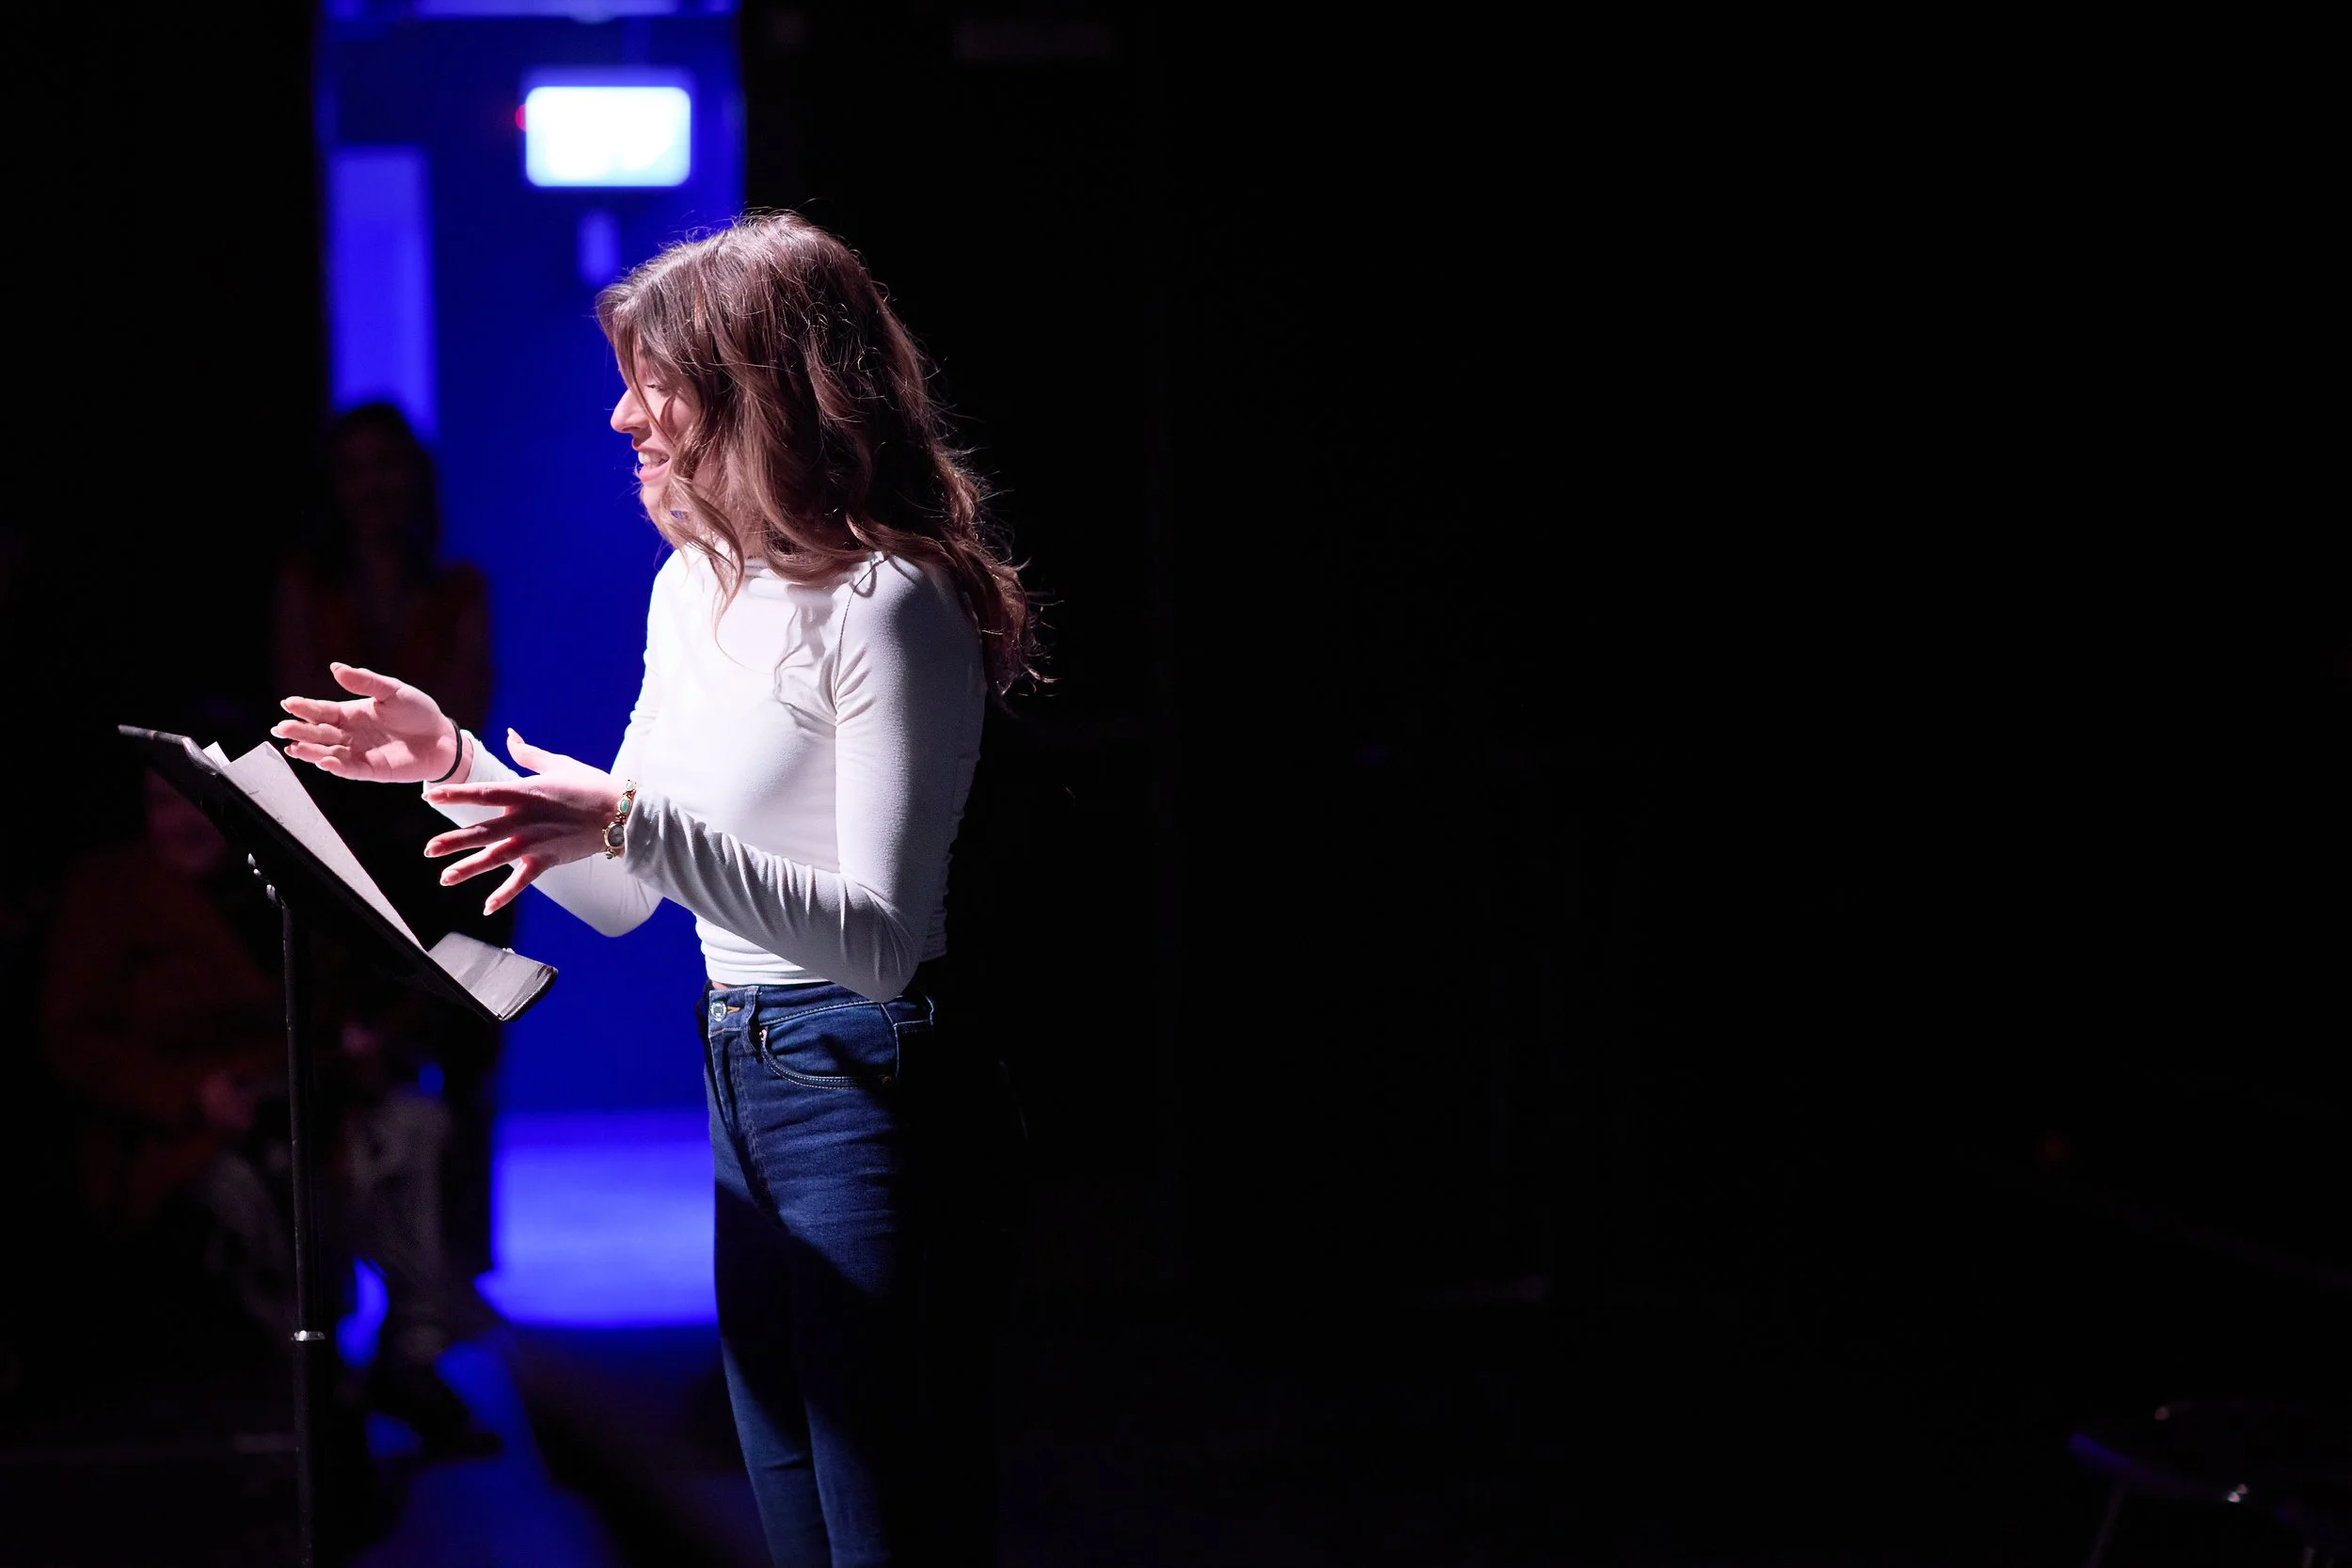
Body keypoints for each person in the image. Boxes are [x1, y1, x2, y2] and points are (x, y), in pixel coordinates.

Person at [272, 211, 1036, 1566]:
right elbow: (627, 894)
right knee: (793, 1503)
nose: (626, 416)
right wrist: (449, 760)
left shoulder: (892, 602)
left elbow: (877, 940)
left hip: (868, 1076)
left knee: (885, 1522)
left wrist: (631, 816)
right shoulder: (692, 591)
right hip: (741, 1070)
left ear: (758, 389)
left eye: (655, 381)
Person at [276, 401, 505, 1281]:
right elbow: (300, 713)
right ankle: (344, 1280)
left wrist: (409, 766)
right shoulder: (307, 581)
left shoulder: (456, 588)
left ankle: (456, 1278)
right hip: (342, 846)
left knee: (466, 1049)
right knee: (349, 1049)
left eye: (390, 466)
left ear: (414, 477)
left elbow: (462, 714)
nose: (375, 486)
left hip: (443, 839)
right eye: (357, 468)